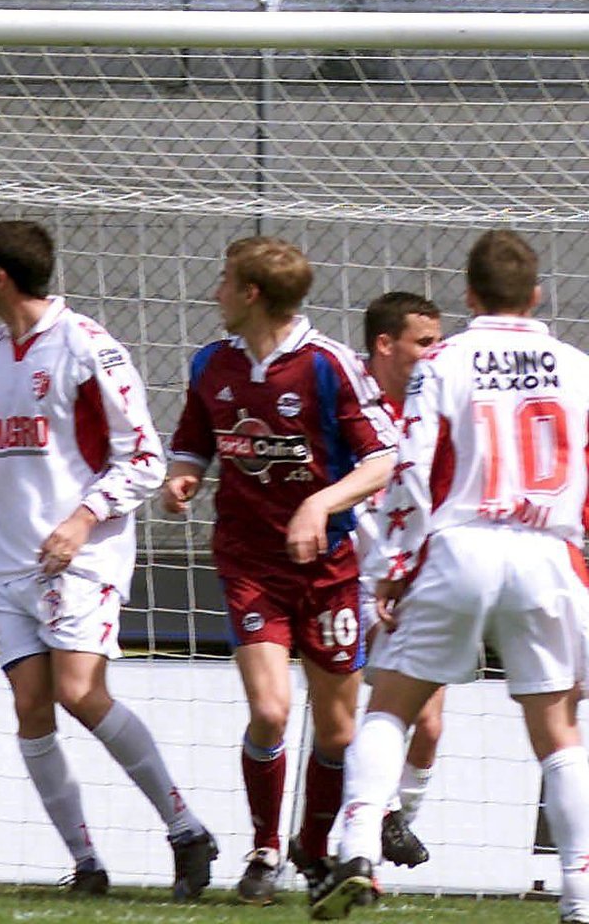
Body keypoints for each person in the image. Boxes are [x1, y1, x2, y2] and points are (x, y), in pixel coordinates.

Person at [0, 218, 218, 900]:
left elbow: (145, 458)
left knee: (79, 693)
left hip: (82, 556)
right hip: (11, 563)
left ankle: (186, 830)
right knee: (32, 706)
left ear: (0, 276)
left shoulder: (88, 348)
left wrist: (82, 522)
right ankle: (86, 864)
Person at [311, 228, 589, 922]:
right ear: (536, 295)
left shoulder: (446, 361)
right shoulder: (577, 366)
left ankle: (357, 851)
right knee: (558, 733)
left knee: (391, 707)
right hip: (545, 548)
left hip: (461, 545)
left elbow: (411, 467)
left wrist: (396, 566)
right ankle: (581, 897)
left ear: (468, 295)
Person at [162, 236, 397, 906]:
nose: (216, 293)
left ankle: (314, 849)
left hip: (328, 570)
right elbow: (192, 443)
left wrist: (318, 504)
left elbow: (382, 459)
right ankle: (265, 848)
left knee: (338, 730)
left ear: (252, 294)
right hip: (249, 561)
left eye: (225, 281)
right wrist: (182, 480)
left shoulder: (330, 366)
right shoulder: (211, 363)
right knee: (269, 710)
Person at [357, 290, 444, 871]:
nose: (435, 355)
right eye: (425, 343)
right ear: (386, 345)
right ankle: (372, 826)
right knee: (368, 715)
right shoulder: (352, 404)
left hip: (416, 579)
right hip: (355, 578)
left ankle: (393, 826)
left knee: (430, 727)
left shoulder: (434, 406)